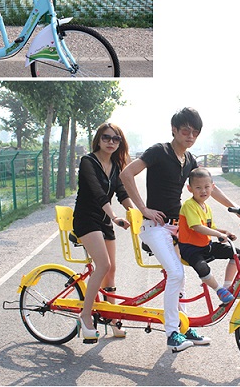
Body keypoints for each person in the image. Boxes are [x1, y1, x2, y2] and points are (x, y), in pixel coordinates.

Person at [120, 107, 240, 353]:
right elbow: (126, 174)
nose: (191, 136)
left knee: (181, 277)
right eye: (186, 131)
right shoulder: (159, 151)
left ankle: (184, 327)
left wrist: (234, 207)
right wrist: (143, 208)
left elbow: (210, 187)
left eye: (195, 132)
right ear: (174, 130)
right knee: (176, 274)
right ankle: (172, 333)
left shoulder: (190, 160)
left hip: (178, 229)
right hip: (155, 226)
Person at [72, 122, 135, 343]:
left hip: (103, 221)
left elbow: (121, 193)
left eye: (116, 139)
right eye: (106, 137)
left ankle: (112, 317)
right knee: (103, 265)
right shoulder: (88, 161)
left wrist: (136, 214)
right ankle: (85, 316)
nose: (111, 142)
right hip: (86, 219)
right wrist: (115, 217)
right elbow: (98, 194)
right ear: (98, 139)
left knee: (111, 270)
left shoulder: (116, 166)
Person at [178, 167, 240, 304]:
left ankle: (228, 286)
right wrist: (218, 234)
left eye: (207, 187)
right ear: (190, 189)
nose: (203, 191)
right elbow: (197, 227)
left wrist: (224, 232)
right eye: (198, 188)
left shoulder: (206, 207)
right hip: (190, 248)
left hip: (205, 246)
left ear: (212, 187)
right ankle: (219, 290)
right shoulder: (189, 205)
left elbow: (209, 228)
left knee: (236, 253)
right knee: (202, 268)